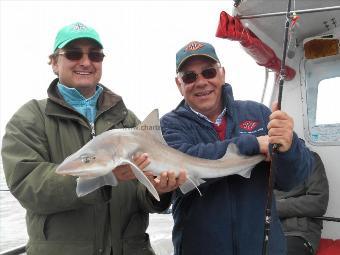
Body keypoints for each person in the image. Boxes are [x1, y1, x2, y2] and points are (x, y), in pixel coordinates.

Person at [1, 22, 186, 255]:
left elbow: (142, 194)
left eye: (95, 55)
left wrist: (158, 190)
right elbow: (27, 185)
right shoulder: (32, 117)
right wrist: (101, 177)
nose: (86, 62)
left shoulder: (127, 120)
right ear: (54, 63)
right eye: (73, 53)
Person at [160, 41, 315, 255]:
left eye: (208, 72)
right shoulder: (169, 125)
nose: (201, 82)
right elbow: (186, 159)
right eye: (189, 76)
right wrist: (251, 144)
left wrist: (288, 148)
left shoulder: (258, 113)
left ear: (222, 74)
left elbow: (294, 179)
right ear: (179, 84)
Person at [275, 152, 329, 255]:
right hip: (260, 230)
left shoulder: (309, 159)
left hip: (296, 232)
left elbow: (318, 202)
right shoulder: (258, 162)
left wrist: (274, 207)